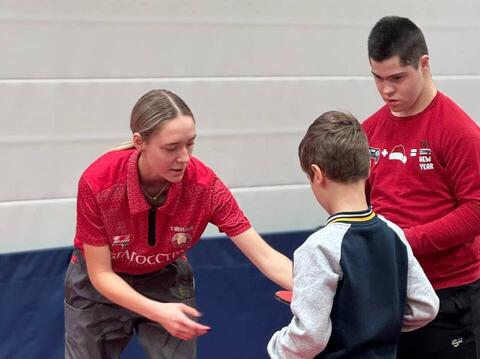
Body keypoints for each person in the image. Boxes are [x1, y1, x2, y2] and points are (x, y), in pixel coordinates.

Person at [64, 89, 293, 359]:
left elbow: (264, 255)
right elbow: (101, 274)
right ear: (140, 142)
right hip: (99, 282)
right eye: (171, 148)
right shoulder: (98, 182)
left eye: (190, 144)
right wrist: (158, 311)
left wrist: (312, 288)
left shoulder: (204, 186)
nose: (184, 157)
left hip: (164, 276)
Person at [267, 111, 439, 358]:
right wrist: (376, 324)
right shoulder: (394, 234)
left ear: (317, 174)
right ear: (369, 166)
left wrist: (277, 347)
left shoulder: (319, 248)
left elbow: (310, 336)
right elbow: (426, 306)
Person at [363, 16, 480, 358]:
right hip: (389, 291)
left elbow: (475, 211)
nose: (387, 90)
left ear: (423, 64)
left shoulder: (460, 132)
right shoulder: (368, 130)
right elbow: (360, 202)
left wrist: (403, 241)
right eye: (378, 78)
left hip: (449, 296)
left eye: (397, 78)